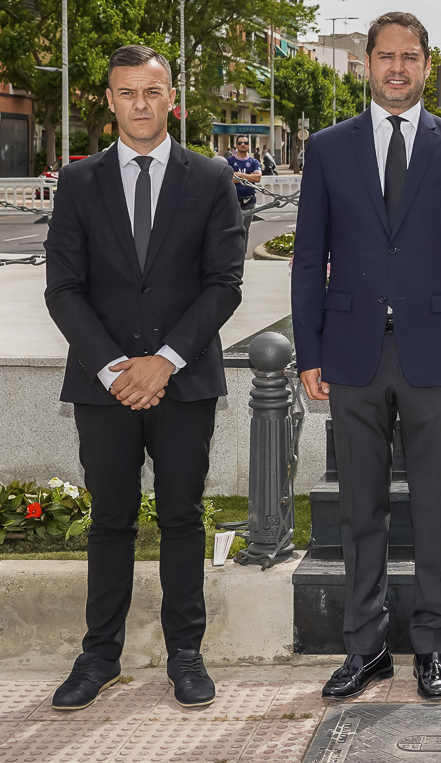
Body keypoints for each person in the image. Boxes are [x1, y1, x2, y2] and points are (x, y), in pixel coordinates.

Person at [291, 12, 441, 702]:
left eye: (410, 57)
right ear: (368, 65)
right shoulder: (328, 148)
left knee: (436, 507)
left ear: (426, 66)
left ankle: (432, 644)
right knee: (360, 510)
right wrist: (309, 348)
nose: (398, 68)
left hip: (437, 355)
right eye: (386, 56)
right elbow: (308, 256)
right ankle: (365, 646)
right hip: (351, 353)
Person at [43, 45, 245, 711]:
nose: (140, 103)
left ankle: (186, 655)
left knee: (182, 515)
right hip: (102, 384)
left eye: (152, 91)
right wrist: (113, 368)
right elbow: (63, 289)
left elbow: (224, 283)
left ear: (171, 99)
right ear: (109, 100)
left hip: (183, 380)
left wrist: (165, 360)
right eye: (127, 92)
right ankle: (99, 656)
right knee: (111, 517)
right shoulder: (79, 182)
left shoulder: (210, 178)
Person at [227, 136, 262, 210]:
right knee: (234, 218)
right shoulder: (229, 161)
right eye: (240, 143)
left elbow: (257, 178)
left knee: (248, 218)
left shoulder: (254, 162)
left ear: (249, 145)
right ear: (236, 145)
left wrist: (238, 175)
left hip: (249, 199)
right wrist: (250, 176)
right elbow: (228, 179)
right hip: (232, 199)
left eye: (245, 143)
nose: (243, 145)